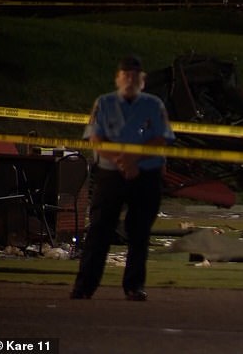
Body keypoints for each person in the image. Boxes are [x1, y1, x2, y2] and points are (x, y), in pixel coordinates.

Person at [70, 55, 175, 301]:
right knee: (99, 230)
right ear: (118, 78)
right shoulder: (104, 103)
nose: (130, 80)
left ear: (143, 80)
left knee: (139, 233)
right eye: (125, 75)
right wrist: (121, 160)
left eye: (135, 76)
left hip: (145, 174)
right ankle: (84, 286)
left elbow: (161, 138)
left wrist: (133, 160)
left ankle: (134, 286)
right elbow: (96, 138)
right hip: (110, 174)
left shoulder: (154, 104)